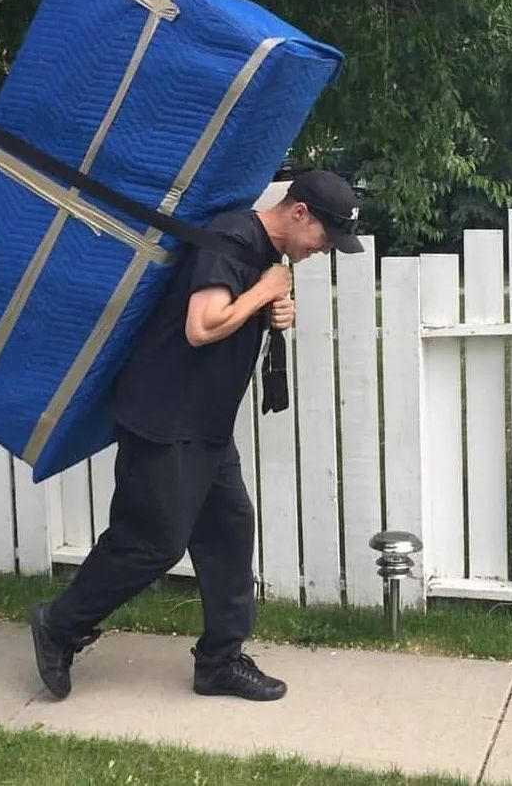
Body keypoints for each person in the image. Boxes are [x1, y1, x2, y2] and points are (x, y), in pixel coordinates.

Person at [31, 169, 363, 702]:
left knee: (230, 529)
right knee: (151, 542)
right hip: (165, 419)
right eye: (326, 238)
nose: (325, 250)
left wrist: (273, 308)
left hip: (204, 423)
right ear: (300, 213)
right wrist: (264, 292)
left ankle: (219, 663)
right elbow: (201, 325)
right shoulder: (232, 239)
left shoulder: (262, 253)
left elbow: (235, 314)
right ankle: (59, 625)